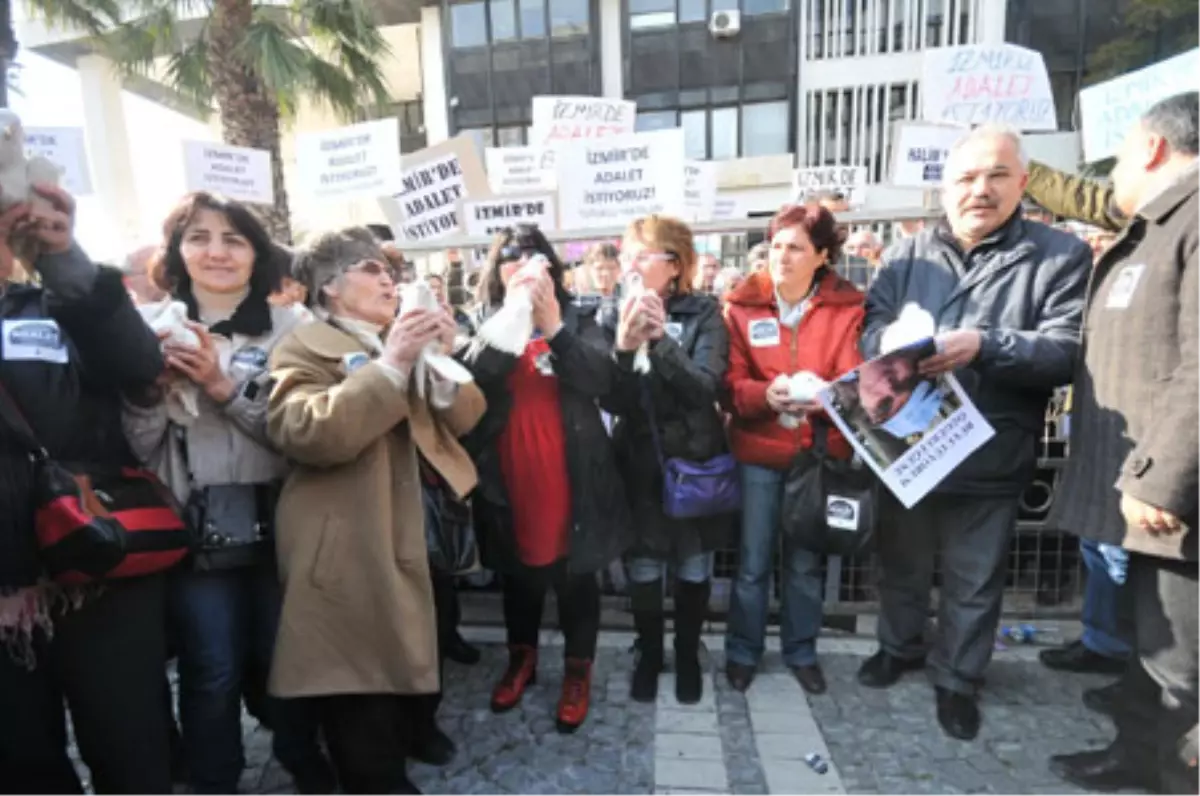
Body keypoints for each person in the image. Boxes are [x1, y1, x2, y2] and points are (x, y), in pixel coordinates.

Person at [857, 124, 1089, 741]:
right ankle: (898, 646)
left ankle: (958, 680)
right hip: (909, 445)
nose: (978, 190)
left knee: (974, 577)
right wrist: (886, 341)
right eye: (965, 177)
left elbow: (1067, 351)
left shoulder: (1059, 255)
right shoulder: (906, 253)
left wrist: (987, 346)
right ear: (944, 186)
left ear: (1022, 182)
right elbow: (871, 322)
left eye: (994, 176)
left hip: (991, 448)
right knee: (900, 564)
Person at [122, 192, 329, 796]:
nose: (216, 251)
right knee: (210, 668)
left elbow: (303, 436)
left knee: (284, 658)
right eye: (199, 237)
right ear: (178, 252)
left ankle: (301, 755)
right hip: (193, 528)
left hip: (284, 522)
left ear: (256, 253)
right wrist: (149, 392)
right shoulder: (147, 328)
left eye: (233, 238)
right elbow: (136, 449)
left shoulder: (298, 329)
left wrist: (220, 385)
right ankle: (215, 779)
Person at [267, 227, 485, 796]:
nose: (388, 277)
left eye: (389, 268)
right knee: (358, 669)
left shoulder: (400, 336)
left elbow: (465, 419)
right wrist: (390, 365)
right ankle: (375, 779)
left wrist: (443, 358)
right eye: (369, 268)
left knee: (420, 638)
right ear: (330, 288)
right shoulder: (300, 346)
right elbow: (307, 433)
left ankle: (417, 730)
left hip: (420, 525)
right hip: (350, 534)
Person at [1046, 92, 1200, 795]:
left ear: (1152, 148)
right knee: (1154, 649)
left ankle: (1172, 775)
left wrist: (1161, 479)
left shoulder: (1192, 221)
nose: (1110, 176)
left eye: (1119, 155)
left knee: (1184, 672)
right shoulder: (1160, 226)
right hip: (1139, 494)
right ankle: (1137, 758)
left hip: (1169, 500)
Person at [0, 186, 172, 794]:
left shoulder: (52, 305)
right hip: (6, 592)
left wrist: (63, 255)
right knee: (22, 763)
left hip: (98, 561)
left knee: (134, 751)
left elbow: (137, 363)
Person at [459, 224, 631, 732]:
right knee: (520, 578)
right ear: (498, 269)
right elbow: (471, 379)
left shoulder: (579, 316)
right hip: (509, 475)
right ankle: (522, 660)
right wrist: (513, 320)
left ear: (553, 270)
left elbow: (605, 383)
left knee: (578, 580)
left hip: (572, 474)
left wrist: (555, 329)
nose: (525, 265)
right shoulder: (483, 320)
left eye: (536, 257)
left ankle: (578, 671)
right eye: (512, 257)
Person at [722, 203, 865, 696]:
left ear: (822, 256)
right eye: (776, 245)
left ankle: (801, 652)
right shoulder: (740, 305)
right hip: (759, 451)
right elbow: (730, 383)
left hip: (817, 454)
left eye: (796, 248)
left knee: (805, 565)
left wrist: (821, 398)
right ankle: (743, 651)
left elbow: (853, 379)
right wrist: (762, 396)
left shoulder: (849, 308)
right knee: (753, 562)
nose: (781, 256)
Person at [601, 215, 730, 705]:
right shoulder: (611, 313)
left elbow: (704, 387)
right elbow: (612, 400)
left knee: (694, 563)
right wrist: (623, 350)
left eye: (642, 255)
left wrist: (660, 342)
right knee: (645, 565)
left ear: (674, 266)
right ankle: (650, 653)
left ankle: (687, 654)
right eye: (626, 254)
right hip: (638, 462)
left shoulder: (705, 313)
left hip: (694, 460)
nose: (629, 265)